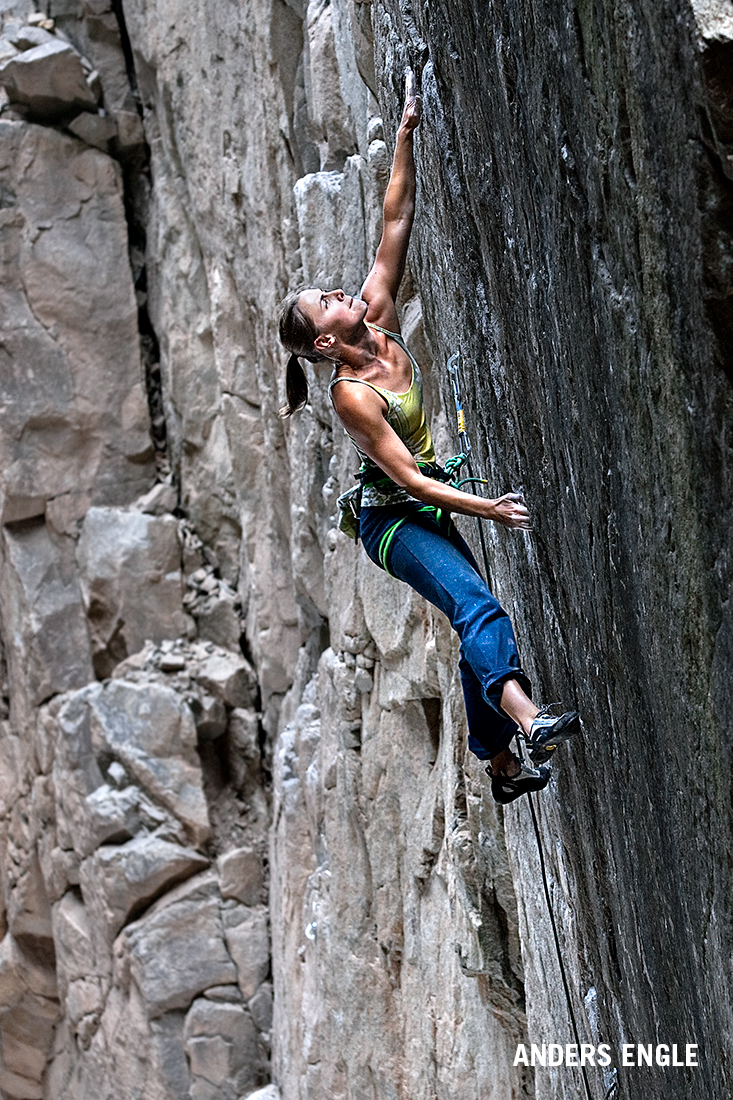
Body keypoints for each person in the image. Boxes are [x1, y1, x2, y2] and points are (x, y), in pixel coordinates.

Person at [278, 74, 579, 803]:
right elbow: (408, 484)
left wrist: (406, 134)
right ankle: (528, 721)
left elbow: (393, 224)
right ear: (323, 343)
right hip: (391, 523)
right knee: (477, 605)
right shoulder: (351, 394)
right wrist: (490, 509)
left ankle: (499, 764)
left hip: (424, 501)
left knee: (470, 609)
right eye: (327, 300)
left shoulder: (376, 317)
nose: (340, 291)